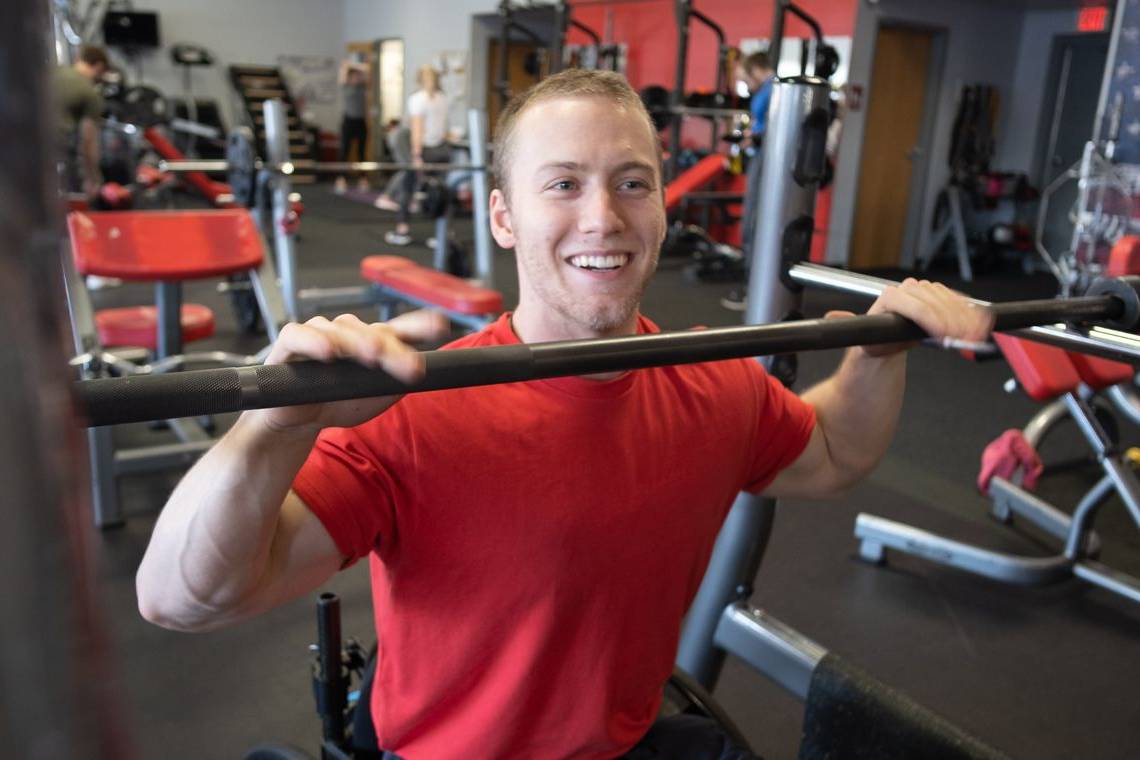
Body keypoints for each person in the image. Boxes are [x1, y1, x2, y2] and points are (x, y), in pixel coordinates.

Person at [136, 70, 992, 759]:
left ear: (662, 207)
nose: (604, 217)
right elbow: (183, 599)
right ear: (504, 217)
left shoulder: (713, 383)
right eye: (563, 184)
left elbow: (836, 449)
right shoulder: (417, 411)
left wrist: (877, 355)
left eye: (632, 183)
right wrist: (276, 427)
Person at [55, 45, 117, 289]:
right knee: (78, 207)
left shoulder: (53, 73)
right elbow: (88, 141)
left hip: (18, 149)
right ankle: (93, 272)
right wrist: (93, 178)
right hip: (54, 148)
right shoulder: (89, 92)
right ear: (99, 67)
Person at [723, 51, 777, 312]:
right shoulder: (769, 91)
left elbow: (775, 129)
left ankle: (754, 290)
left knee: (754, 223)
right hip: (761, 159)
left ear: (756, 70)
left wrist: (754, 138)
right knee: (753, 222)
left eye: (746, 78)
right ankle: (754, 287)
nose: (746, 84)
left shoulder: (772, 90)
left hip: (766, 161)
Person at [374, 65, 451, 246]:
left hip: (425, 149)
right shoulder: (443, 99)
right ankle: (441, 235)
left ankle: (402, 230)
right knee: (441, 193)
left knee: (408, 188)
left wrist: (416, 154)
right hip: (441, 150)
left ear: (419, 80)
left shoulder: (417, 99)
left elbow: (417, 129)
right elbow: (444, 129)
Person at [334, 58, 371, 194]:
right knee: (345, 152)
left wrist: (354, 66)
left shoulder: (363, 87)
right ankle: (341, 179)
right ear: (349, 77)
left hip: (361, 122)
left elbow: (367, 69)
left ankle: (363, 179)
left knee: (362, 153)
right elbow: (343, 70)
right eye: (354, 76)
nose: (356, 78)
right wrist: (348, 67)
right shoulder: (345, 86)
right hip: (348, 122)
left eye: (358, 76)